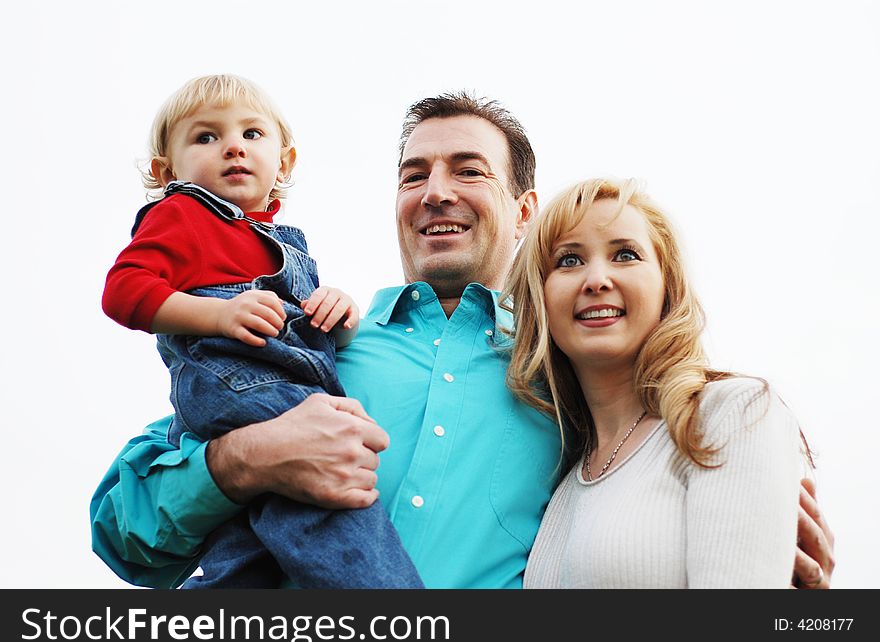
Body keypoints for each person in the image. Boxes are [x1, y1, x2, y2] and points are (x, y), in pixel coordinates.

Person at [91, 92, 835, 589]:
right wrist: (242, 461)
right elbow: (122, 527)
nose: (435, 191)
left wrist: (759, 543)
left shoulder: (569, 378)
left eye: (467, 170)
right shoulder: (315, 342)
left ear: (524, 209)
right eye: (414, 174)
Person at [101, 74, 422, 589]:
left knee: (248, 550)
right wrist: (217, 316)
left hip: (284, 380)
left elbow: (313, 338)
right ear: (167, 171)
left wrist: (339, 317)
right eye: (206, 137)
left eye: (252, 134)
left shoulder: (284, 244)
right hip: (240, 383)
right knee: (332, 498)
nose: (233, 146)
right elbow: (122, 291)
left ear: (284, 162)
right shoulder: (181, 214)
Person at [505, 178, 816, 587]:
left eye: (625, 255)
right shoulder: (562, 480)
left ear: (667, 286)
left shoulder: (732, 414)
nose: (596, 279)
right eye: (568, 261)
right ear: (539, 297)